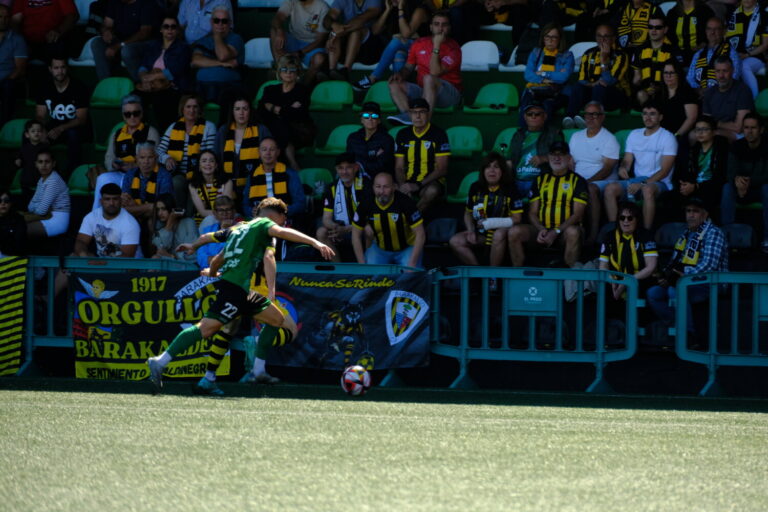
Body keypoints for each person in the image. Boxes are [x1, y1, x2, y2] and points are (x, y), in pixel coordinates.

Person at [147, 196, 335, 392]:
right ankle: (160, 361)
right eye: (282, 217)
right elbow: (280, 238)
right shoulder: (264, 225)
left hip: (243, 290)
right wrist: (315, 243)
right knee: (207, 328)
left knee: (275, 319)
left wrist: (200, 256)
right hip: (236, 289)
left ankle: (256, 370)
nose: (281, 223)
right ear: (275, 215)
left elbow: (216, 256)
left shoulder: (238, 229)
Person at [646, 195, 728, 343]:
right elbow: (675, 261)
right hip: (687, 280)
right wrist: (667, 276)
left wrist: (683, 276)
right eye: (688, 211)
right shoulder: (687, 233)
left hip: (711, 282)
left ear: (705, 214)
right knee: (653, 294)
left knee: (674, 290)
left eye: (695, 211)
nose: (690, 215)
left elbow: (709, 265)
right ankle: (678, 325)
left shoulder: (713, 232)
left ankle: (689, 336)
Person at [507, 141, 588, 268]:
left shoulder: (578, 181)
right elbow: (532, 212)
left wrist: (556, 231)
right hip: (541, 231)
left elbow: (577, 214)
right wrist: (541, 229)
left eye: (561, 154)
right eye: (553, 154)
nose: (557, 158)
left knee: (573, 232)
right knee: (514, 232)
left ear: (569, 158)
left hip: (564, 233)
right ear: (548, 157)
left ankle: (570, 281)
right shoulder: (540, 180)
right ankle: (519, 275)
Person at [604, 102, 677, 230]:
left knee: (647, 190)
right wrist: (623, 168)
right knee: (610, 188)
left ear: (660, 117)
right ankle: (615, 230)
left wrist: (643, 184)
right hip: (637, 181)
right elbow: (627, 160)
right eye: (645, 114)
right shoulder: (634, 134)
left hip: (660, 183)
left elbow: (664, 171)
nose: (648, 117)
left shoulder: (668, 137)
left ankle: (646, 232)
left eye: (652, 114)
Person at [386, 10, 462, 125]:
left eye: (444, 25)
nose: (440, 28)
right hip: (424, 92)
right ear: (431, 27)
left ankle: (424, 123)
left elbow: (434, 72)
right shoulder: (419, 43)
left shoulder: (454, 48)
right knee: (394, 83)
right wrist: (400, 74)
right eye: (436, 24)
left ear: (449, 28)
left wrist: (436, 45)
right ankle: (410, 116)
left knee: (429, 78)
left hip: (449, 95)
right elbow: (408, 67)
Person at [448, 152, 523, 266]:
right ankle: (479, 274)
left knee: (498, 234)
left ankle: (491, 277)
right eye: (488, 167)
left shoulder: (511, 188)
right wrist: (471, 230)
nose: (491, 170)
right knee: (455, 241)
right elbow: (468, 213)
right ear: (483, 171)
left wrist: (491, 223)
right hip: (482, 234)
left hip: (502, 233)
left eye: (496, 167)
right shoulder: (475, 187)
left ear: (502, 171)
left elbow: (517, 218)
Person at [569, 101, 620, 244]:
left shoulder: (609, 139)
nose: (591, 117)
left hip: (602, 182)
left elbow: (607, 169)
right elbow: (571, 163)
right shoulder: (576, 136)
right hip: (580, 180)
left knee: (589, 189)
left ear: (602, 117)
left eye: (595, 114)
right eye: (587, 114)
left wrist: (586, 183)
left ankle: (593, 234)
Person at [352, 0, 429, 91]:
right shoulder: (392, 9)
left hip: (422, 48)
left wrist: (400, 9)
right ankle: (402, 90)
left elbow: (406, 34)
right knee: (398, 54)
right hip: (404, 47)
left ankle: (373, 78)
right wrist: (387, 10)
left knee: (396, 41)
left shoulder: (419, 10)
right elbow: (375, 31)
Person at [352, 172, 425, 267]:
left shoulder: (406, 203)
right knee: (370, 275)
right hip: (380, 249)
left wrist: (412, 264)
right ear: (373, 187)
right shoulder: (366, 203)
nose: (382, 191)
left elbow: (421, 234)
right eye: (378, 187)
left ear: (394, 187)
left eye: (386, 187)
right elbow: (355, 235)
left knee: (410, 276)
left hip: (406, 248)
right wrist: (362, 265)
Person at [563, 24, 630, 127]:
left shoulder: (621, 55)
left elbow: (610, 81)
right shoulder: (589, 53)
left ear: (613, 38)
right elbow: (581, 79)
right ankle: (570, 117)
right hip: (594, 93)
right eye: (599, 36)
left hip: (615, 97)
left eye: (606, 36)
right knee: (578, 86)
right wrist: (592, 84)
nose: (602, 39)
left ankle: (593, 120)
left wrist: (604, 61)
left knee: (600, 87)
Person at [157, 94, 217, 207]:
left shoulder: (209, 127)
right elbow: (159, 151)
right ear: (182, 109)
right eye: (188, 106)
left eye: (195, 107)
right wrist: (167, 158)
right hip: (178, 173)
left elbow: (210, 154)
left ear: (200, 109)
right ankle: (178, 213)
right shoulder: (173, 127)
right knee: (176, 182)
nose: (192, 110)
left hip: (200, 174)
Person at [257, 55, 316, 171]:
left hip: (298, 130)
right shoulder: (270, 89)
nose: (288, 73)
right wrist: (287, 108)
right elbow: (261, 111)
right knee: (276, 125)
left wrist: (274, 108)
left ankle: (278, 164)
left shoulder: (302, 91)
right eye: (284, 69)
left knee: (280, 125)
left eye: (292, 70)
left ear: (297, 73)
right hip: (275, 129)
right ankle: (291, 162)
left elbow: (298, 114)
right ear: (279, 72)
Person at [35, 56, 90, 176]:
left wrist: (62, 128)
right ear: (50, 69)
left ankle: (72, 174)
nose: (60, 71)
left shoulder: (79, 87)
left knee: (73, 134)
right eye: (56, 68)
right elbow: (40, 115)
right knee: (33, 133)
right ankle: (35, 175)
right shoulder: (45, 87)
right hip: (55, 125)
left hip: (75, 128)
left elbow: (81, 119)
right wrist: (42, 130)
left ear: (67, 68)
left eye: (63, 67)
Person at [135, 15, 193, 129]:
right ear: (161, 29)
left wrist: (151, 77)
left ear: (177, 30)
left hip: (172, 86)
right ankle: (138, 132)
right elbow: (143, 66)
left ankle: (163, 136)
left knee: (160, 100)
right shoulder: (153, 46)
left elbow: (176, 70)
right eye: (166, 26)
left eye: (173, 27)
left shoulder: (183, 48)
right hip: (151, 85)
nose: (169, 29)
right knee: (133, 98)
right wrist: (144, 79)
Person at [721, 112, 768, 252]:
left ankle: (767, 238)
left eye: (753, 128)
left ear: (761, 129)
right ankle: (726, 236)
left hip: (759, 189)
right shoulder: (737, 146)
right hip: (740, 188)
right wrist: (736, 180)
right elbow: (730, 172)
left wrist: (747, 182)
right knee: (727, 188)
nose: (749, 131)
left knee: (767, 189)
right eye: (746, 127)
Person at [393, 97, 450, 212]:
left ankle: (411, 220)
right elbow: (398, 167)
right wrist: (403, 185)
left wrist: (418, 185)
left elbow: (442, 169)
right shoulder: (403, 134)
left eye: (422, 112)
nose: (418, 116)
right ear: (409, 114)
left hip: (429, 182)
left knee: (432, 191)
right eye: (414, 112)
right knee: (385, 187)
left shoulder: (439, 134)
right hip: (407, 180)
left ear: (428, 114)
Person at [215, 95, 272, 203]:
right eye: (237, 109)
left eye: (245, 109)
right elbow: (216, 157)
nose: (241, 112)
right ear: (232, 111)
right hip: (228, 185)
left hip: (256, 184)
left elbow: (270, 156)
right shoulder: (223, 131)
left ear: (250, 111)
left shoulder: (261, 130)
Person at [668, 115, 728, 217]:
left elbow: (721, 177)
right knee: (670, 196)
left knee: (708, 195)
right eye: (697, 129)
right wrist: (685, 184)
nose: (700, 133)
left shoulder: (721, 149)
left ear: (713, 132)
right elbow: (687, 172)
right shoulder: (694, 150)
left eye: (704, 129)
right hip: (694, 186)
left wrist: (695, 187)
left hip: (712, 188)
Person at [317, 153, 373, 262]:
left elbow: (370, 219)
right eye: (340, 168)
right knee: (321, 232)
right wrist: (336, 228)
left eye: (348, 168)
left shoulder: (366, 186)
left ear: (356, 168)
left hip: (360, 230)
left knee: (369, 230)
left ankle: (366, 266)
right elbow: (326, 219)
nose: (344, 172)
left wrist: (347, 229)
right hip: (341, 230)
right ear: (336, 170)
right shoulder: (332, 188)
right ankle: (339, 269)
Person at [599, 201, 658, 301]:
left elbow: (650, 267)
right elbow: (603, 267)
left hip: (639, 280)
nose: (625, 221)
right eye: (622, 218)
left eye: (630, 218)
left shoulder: (646, 236)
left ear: (637, 220)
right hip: (615, 280)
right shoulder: (609, 236)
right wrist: (611, 281)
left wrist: (628, 281)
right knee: (603, 288)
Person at [519, 23, 574, 126]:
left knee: (547, 105)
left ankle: (544, 137)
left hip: (556, 92)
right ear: (543, 38)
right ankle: (522, 134)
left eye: (554, 37)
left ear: (559, 39)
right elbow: (528, 75)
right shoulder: (536, 52)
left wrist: (543, 73)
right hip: (536, 90)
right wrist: (543, 80)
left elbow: (563, 77)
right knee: (527, 106)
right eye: (547, 36)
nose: (550, 40)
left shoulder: (567, 55)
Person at [506, 102, 564, 198]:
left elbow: (562, 157)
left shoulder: (554, 134)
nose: (533, 116)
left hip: (541, 181)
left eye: (537, 114)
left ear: (544, 116)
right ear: (525, 117)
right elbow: (509, 161)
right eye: (530, 114)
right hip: (517, 181)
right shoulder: (518, 135)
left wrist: (544, 158)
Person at [241, 137, 305, 221]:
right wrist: (251, 211)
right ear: (259, 152)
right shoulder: (252, 176)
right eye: (264, 149)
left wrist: (281, 211)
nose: (268, 153)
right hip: (259, 221)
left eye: (272, 149)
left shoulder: (289, 174)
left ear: (278, 152)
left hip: (284, 219)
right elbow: (245, 205)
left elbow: (300, 203)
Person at [92, 0, 158, 81]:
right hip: (120, 41)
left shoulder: (147, 3)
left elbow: (145, 33)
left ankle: (141, 83)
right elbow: (107, 24)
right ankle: (105, 83)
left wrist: (119, 45)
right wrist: (105, 31)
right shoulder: (115, 2)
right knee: (97, 43)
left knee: (127, 50)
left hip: (143, 43)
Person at [191, 6, 244, 103]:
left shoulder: (236, 38)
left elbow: (223, 56)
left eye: (224, 21)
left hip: (228, 86)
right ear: (211, 22)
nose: (220, 24)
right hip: (202, 87)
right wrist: (221, 64)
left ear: (230, 23)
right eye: (216, 21)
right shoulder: (204, 40)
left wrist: (216, 35)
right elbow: (196, 60)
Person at [270, 0, 330, 86]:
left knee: (319, 59)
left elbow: (320, 40)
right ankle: (280, 66)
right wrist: (280, 30)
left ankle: (302, 87)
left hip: (312, 45)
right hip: (294, 40)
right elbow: (277, 18)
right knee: (274, 30)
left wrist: (300, 52)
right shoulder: (292, 1)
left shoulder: (322, 6)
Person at [322, 0, 384, 81]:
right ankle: (331, 70)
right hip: (348, 47)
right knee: (335, 30)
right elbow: (327, 19)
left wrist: (335, 34)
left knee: (355, 31)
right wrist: (333, 25)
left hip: (370, 49)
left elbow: (360, 20)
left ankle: (346, 71)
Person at [74, 183, 141, 257]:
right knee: (74, 256)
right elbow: (81, 241)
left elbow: (126, 258)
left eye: (115, 199)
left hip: (127, 265)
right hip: (103, 262)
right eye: (107, 199)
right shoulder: (92, 216)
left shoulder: (130, 223)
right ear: (101, 201)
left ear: (121, 201)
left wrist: (99, 263)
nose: (111, 203)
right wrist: (83, 254)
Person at [631, 14, 684, 105]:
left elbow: (678, 78)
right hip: (645, 92)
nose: (653, 31)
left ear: (665, 29)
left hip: (666, 90)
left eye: (658, 27)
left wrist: (659, 88)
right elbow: (636, 78)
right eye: (650, 27)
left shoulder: (674, 51)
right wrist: (644, 88)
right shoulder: (639, 50)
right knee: (640, 94)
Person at [702, 56, 754, 141]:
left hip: (739, 134)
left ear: (732, 71)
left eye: (725, 71)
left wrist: (715, 123)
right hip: (715, 130)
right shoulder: (710, 93)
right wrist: (714, 125)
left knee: (716, 135)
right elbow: (705, 122)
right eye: (718, 71)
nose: (721, 75)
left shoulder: (742, 90)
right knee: (693, 135)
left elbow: (739, 127)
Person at [104, 95, 160, 173]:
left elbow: (156, 157)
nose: (132, 117)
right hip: (119, 172)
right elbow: (109, 157)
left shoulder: (151, 132)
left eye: (136, 113)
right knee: (103, 178)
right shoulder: (116, 134)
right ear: (123, 116)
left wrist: (135, 165)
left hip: (143, 174)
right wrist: (113, 164)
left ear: (142, 113)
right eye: (127, 114)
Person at [686, 17, 741, 96]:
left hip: (723, 95)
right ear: (706, 31)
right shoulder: (698, 54)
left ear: (723, 31)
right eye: (709, 29)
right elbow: (690, 77)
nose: (712, 32)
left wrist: (713, 91)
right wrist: (699, 90)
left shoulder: (731, 53)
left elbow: (735, 76)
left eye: (717, 29)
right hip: (700, 95)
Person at [23, 149, 70, 240]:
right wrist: (40, 207)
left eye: (47, 162)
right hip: (46, 217)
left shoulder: (54, 180)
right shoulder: (42, 180)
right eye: (40, 162)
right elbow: (30, 206)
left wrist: (41, 207)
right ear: (36, 164)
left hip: (57, 220)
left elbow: (41, 211)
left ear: (53, 164)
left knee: (17, 229)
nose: (44, 165)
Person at [120, 142, 174, 221]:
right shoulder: (130, 174)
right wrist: (148, 207)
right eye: (142, 157)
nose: (146, 161)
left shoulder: (165, 176)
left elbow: (162, 206)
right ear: (136, 159)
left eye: (150, 157)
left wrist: (134, 207)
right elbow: (125, 203)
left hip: (157, 218)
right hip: (133, 218)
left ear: (156, 158)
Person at [725, 0, 768, 98]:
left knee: (743, 65)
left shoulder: (763, 15)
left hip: (756, 56)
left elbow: (765, 45)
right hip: (735, 55)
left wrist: (747, 55)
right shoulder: (733, 14)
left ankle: (754, 99)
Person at [10, 0, 77, 62]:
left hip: (53, 40)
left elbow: (72, 16)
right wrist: (20, 40)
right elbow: (15, 21)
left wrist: (58, 31)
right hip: (28, 41)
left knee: (59, 48)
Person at [346, 101, 395, 179]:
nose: (370, 118)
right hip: (356, 177)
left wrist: (360, 164)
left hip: (378, 180)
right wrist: (373, 159)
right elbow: (349, 162)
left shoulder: (387, 139)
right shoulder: (353, 138)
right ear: (361, 119)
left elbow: (383, 166)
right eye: (366, 115)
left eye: (374, 116)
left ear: (379, 120)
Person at [188, 150, 234, 225]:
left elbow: (226, 208)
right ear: (199, 166)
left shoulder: (227, 182)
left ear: (216, 165)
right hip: (203, 222)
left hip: (225, 219)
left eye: (211, 161)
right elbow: (202, 212)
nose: (208, 164)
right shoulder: (193, 185)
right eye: (204, 161)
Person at [659, 60, 698, 148]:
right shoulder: (659, 93)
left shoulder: (687, 92)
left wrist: (676, 135)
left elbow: (691, 118)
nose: (668, 76)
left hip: (681, 134)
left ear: (678, 74)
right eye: (666, 73)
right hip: (663, 134)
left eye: (672, 73)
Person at [149, 193, 198, 260]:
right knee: (155, 258)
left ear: (171, 208)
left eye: (164, 209)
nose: (160, 213)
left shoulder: (188, 223)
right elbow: (160, 247)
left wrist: (172, 256)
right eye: (158, 209)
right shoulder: (159, 225)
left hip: (185, 265)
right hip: (168, 262)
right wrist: (169, 226)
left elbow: (192, 253)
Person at [0, 5, 27, 127]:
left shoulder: (17, 39)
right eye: (0, 17)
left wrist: (6, 80)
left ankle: (3, 126)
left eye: (6, 17)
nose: (3, 20)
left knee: (8, 86)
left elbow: (20, 68)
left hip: (7, 80)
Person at [195, 194, 237, 268]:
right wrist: (216, 261)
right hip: (207, 273)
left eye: (228, 210)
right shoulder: (207, 230)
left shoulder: (241, 230)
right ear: (215, 213)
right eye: (221, 210)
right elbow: (200, 257)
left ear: (234, 212)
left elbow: (230, 257)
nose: (225, 213)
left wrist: (224, 230)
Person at [15, 120, 49, 207]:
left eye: (39, 131)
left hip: (40, 178)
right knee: (26, 200)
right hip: (27, 178)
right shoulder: (24, 148)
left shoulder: (45, 148)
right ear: (27, 134)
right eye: (33, 131)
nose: (36, 133)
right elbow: (19, 159)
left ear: (42, 134)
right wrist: (18, 160)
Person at [0, 189, 27, 257]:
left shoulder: (18, 219)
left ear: (10, 203)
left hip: (11, 258)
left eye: (6, 201)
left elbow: (19, 244)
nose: (3, 203)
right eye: (0, 201)